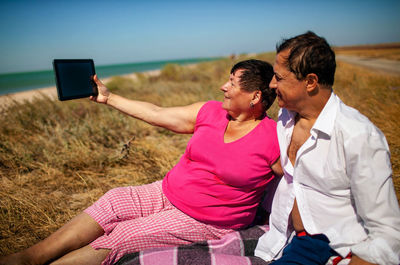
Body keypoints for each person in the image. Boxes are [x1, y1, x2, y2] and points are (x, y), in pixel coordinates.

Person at [0, 59, 283, 265]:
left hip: (206, 219)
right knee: (114, 201)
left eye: (231, 83)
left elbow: (305, 179)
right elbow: (156, 112)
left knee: (125, 235)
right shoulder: (210, 112)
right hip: (166, 191)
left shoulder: (273, 139)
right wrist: (108, 98)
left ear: (255, 96)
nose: (223, 86)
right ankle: (28, 257)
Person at [254, 31, 400, 265]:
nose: (272, 84)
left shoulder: (358, 135)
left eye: (279, 78)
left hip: (333, 248)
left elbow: (388, 233)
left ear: (310, 82)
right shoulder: (285, 116)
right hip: (284, 239)